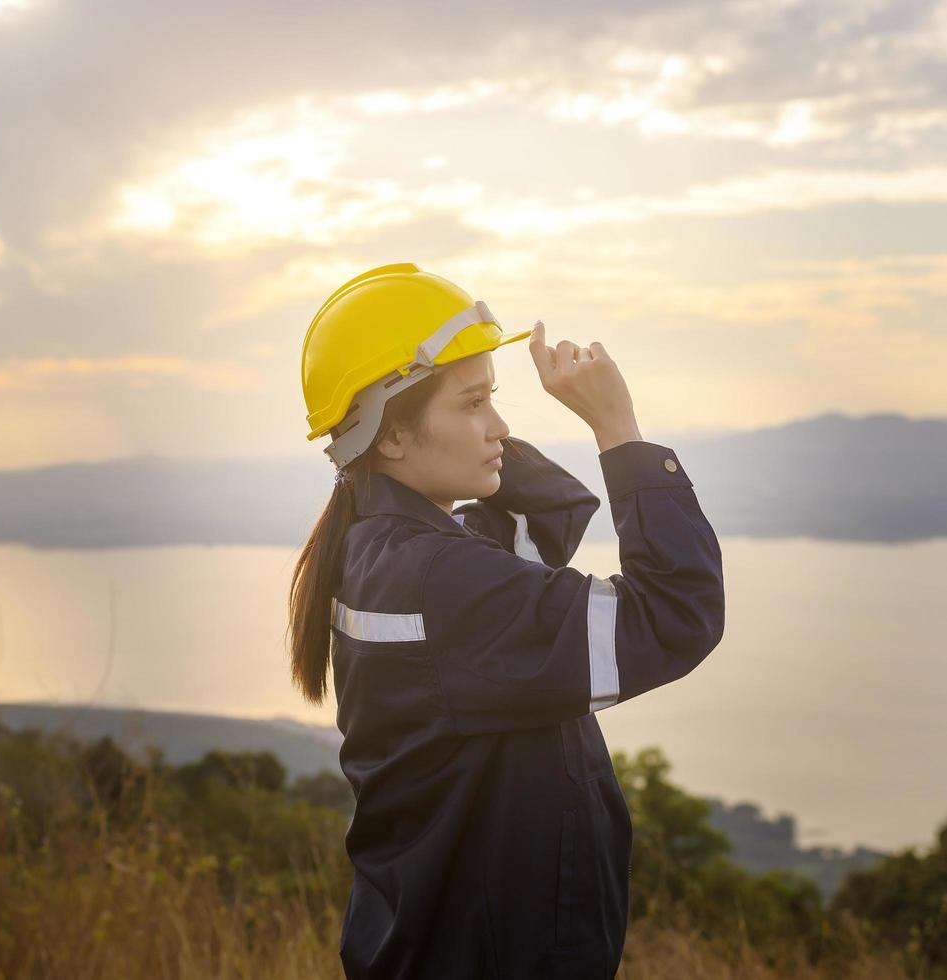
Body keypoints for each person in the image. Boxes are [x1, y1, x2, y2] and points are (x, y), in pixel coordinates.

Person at [287, 264, 726, 978]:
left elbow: (546, 509)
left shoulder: (385, 552)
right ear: (391, 436)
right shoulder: (443, 583)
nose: (499, 426)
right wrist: (617, 429)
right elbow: (675, 614)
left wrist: (464, 416)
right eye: (472, 404)